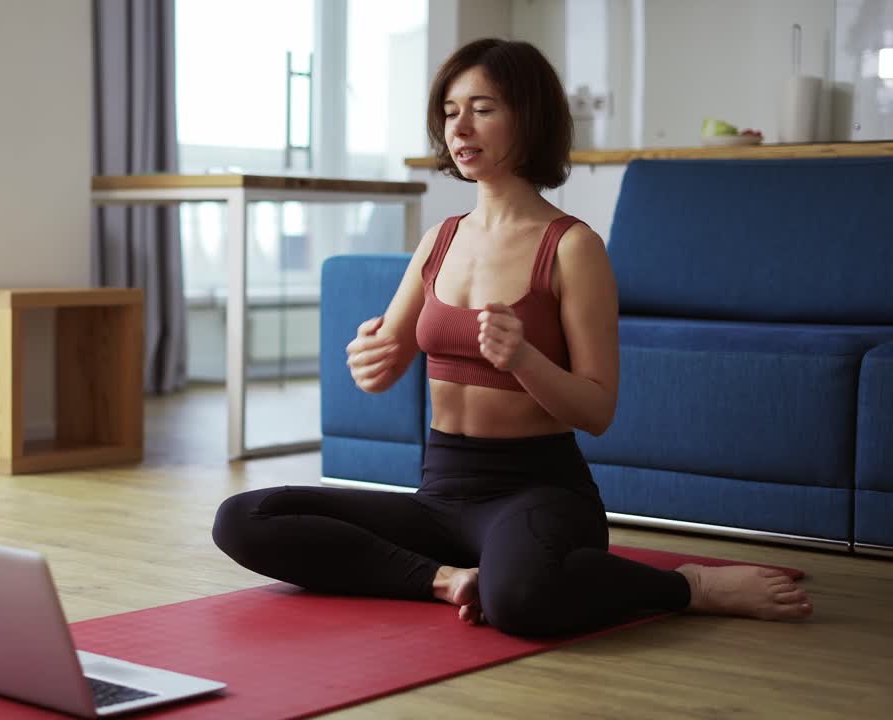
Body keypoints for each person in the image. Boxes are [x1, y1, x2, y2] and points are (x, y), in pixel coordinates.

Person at [211, 38, 812, 636]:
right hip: (438, 493)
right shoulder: (440, 239)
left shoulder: (573, 248)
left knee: (521, 601)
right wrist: (369, 358)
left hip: (538, 492)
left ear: (529, 118)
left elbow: (598, 409)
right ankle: (446, 580)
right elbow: (386, 363)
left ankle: (689, 585)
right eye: (450, 111)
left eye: (483, 108)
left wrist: (522, 357)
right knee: (244, 517)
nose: (460, 127)